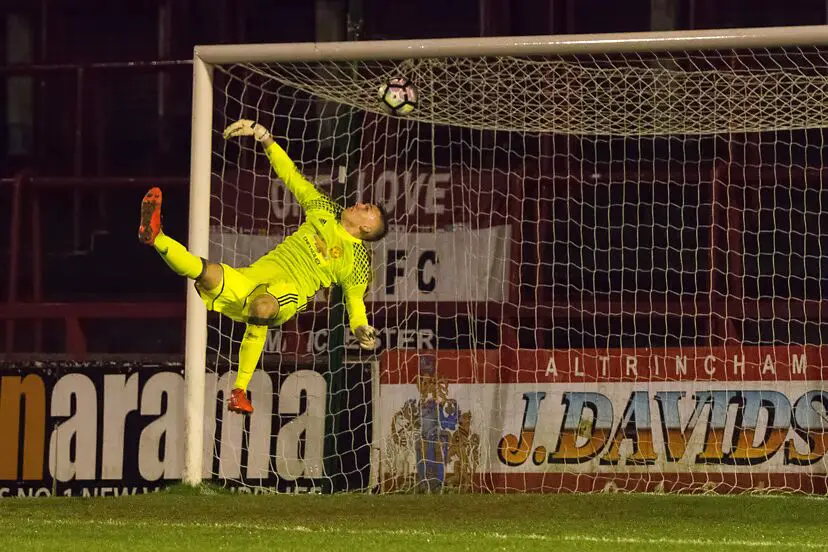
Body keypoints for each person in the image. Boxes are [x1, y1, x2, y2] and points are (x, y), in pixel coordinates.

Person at [138, 119, 387, 415]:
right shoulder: (324, 209)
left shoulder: (357, 260)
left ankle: (239, 390)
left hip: (289, 291)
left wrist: (360, 327)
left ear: (365, 229)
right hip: (255, 277)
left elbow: (355, 301)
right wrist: (264, 136)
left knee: (262, 306)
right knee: (205, 273)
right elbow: (290, 174)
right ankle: (156, 237)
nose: (360, 204)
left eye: (367, 209)